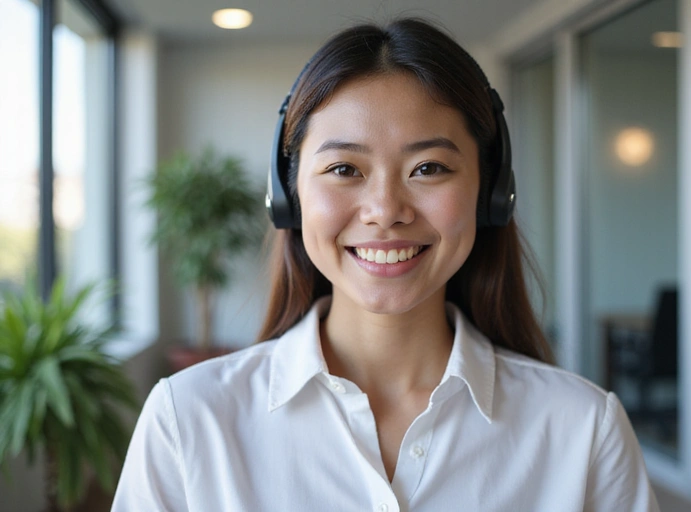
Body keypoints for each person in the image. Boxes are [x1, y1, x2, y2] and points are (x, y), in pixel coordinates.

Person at [112, 17, 659, 512]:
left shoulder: (584, 431)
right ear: (289, 197)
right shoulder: (188, 420)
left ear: (491, 192)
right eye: (345, 168)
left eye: (428, 167)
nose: (385, 212)